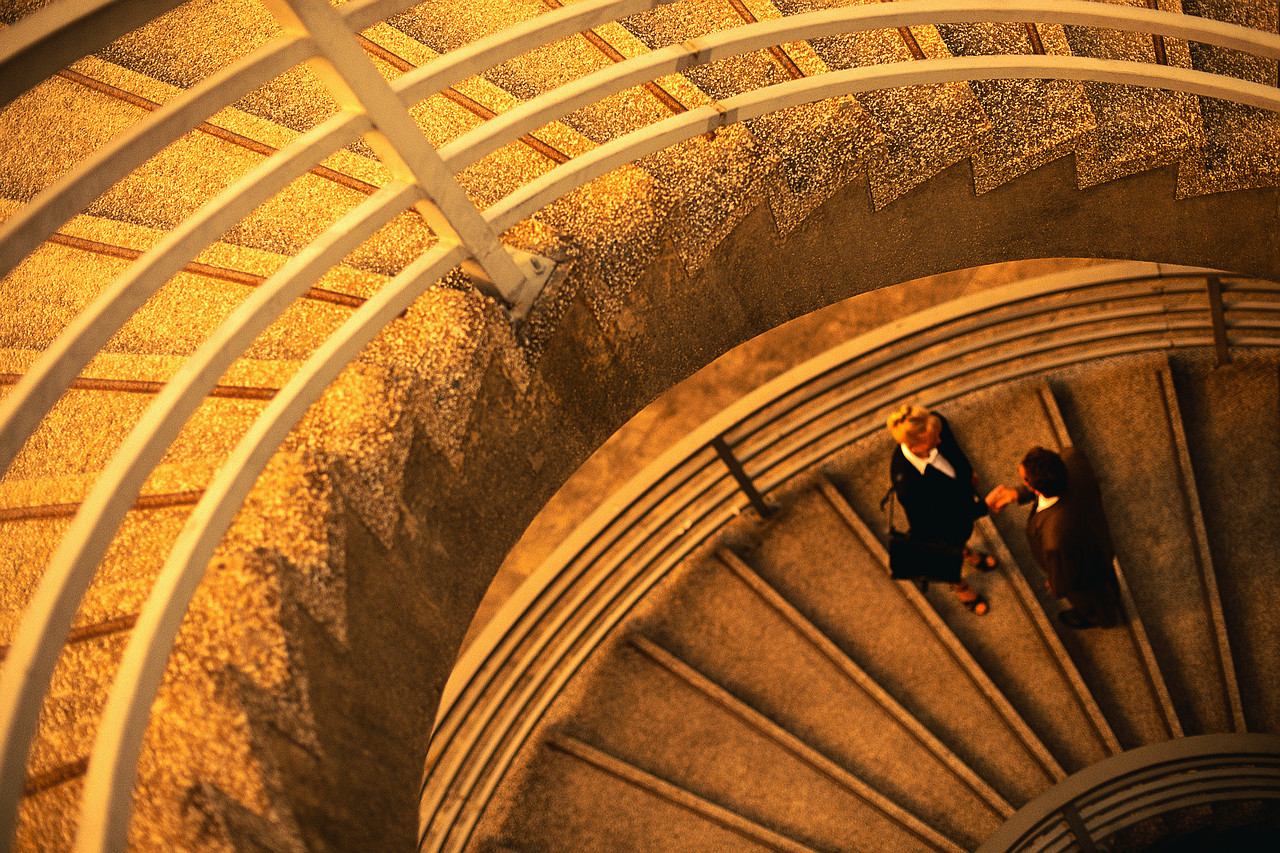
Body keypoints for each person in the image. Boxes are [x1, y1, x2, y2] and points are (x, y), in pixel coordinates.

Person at [886, 405, 1006, 615]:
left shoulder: (934, 424)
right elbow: (937, 520)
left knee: (961, 538)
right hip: (940, 528)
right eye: (934, 441)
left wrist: (968, 475)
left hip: (960, 508)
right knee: (946, 555)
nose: (940, 441)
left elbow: (955, 451)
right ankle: (960, 585)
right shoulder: (908, 485)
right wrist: (983, 506)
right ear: (915, 447)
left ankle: (967, 552)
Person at [990, 446, 1120, 629]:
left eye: (1024, 481)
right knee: (1108, 582)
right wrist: (1017, 493)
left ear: (1034, 487)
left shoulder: (1055, 537)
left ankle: (1099, 619)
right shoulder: (1072, 458)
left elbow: (1063, 579)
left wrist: (1055, 584)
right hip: (1098, 539)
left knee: (1093, 601)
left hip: (1084, 574)